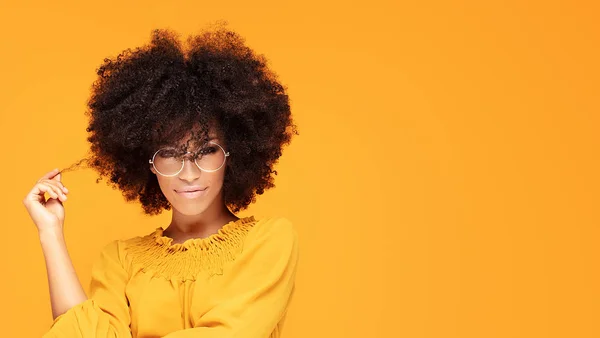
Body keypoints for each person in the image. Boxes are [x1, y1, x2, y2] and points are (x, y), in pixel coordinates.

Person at [22, 21, 300, 338]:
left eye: (206, 150)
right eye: (170, 153)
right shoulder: (120, 260)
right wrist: (50, 232)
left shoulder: (268, 241)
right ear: (149, 161)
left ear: (232, 152)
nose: (189, 172)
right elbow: (80, 333)